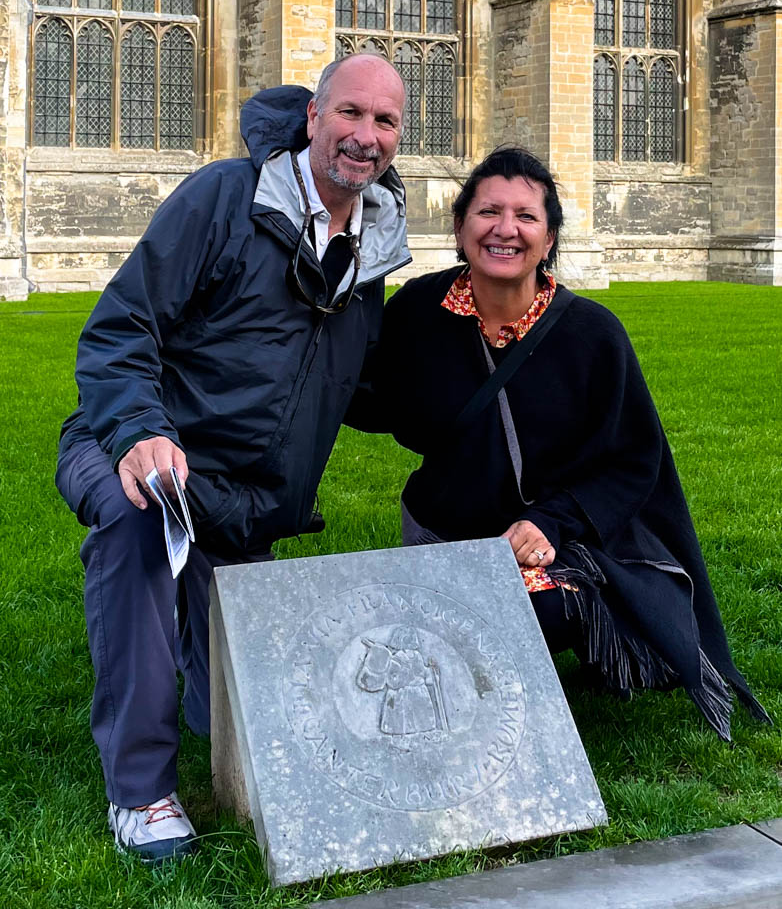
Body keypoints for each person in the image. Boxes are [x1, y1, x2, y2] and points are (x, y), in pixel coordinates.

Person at [54, 54, 410, 862]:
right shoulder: (224, 197)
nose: (365, 136)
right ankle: (141, 792)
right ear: (312, 117)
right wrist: (142, 430)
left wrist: (483, 383)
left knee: (249, 732)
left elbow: (355, 383)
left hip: (243, 508)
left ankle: (196, 648)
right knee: (138, 521)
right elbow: (120, 330)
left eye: (384, 122)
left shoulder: (374, 246)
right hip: (135, 449)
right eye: (350, 114)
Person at [349, 146, 770, 743]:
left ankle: (586, 636)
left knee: (531, 610)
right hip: (444, 529)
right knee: (433, 628)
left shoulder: (592, 333)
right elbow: (374, 399)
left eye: (526, 216)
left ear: (549, 240)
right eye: (488, 212)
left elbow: (633, 461)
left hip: (555, 539)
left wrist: (551, 522)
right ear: (460, 226)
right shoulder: (418, 310)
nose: (505, 229)